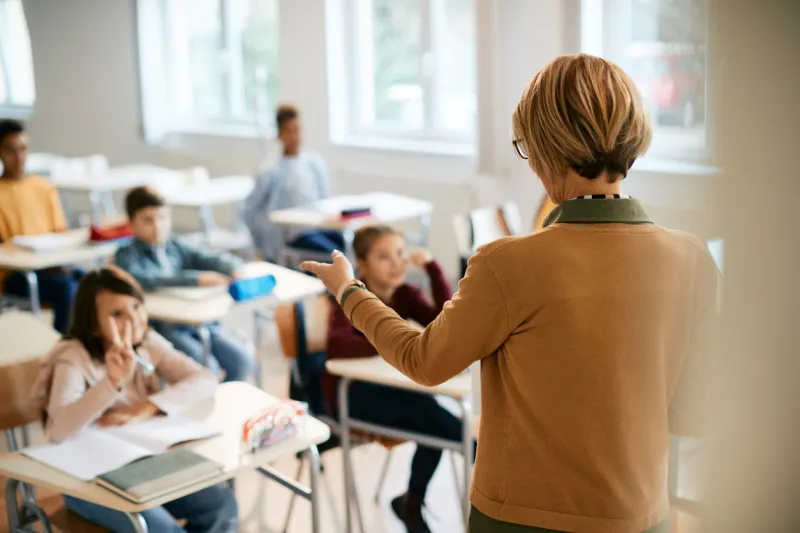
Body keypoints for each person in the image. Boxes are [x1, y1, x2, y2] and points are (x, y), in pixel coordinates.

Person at [302, 54, 718, 533]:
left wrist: (349, 291)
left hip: (521, 518)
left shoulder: (507, 263)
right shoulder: (691, 259)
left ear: (544, 149)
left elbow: (425, 360)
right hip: (642, 516)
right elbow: (693, 416)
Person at [30, 267, 237, 532]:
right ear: (92, 325)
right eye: (117, 314)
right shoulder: (73, 358)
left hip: (144, 461)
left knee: (221, 505)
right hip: (89, 478)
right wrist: (112, 383)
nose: (133, 319)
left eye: (136, 307)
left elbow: (204, 379)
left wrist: (147, 406)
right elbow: (59, 430)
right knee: (159, 529)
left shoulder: (147, 341)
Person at [323, 225, 468, 533]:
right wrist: (393, 339)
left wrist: (432, 269)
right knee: (454, 431)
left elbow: (446, 322)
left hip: (398, 390)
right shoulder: (349, 295)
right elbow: (338, 343)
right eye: (384, 256)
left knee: (446, 428)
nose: (397, 262)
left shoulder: (404, 293)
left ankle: (411, 503)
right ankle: (412, 505)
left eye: (401, 253)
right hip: (357, 396)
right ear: (361, 264)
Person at [115, 186, 255, 382]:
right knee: (207, 368)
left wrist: (233, 268)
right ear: (131, 223)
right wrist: (196, 279)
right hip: (163, 328)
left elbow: (211, 258)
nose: (157, 226)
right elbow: (147, 278)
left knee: (241, 361)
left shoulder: (175, 246)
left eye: (162, 217)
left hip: (198, 323)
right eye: (147, 220)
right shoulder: (126, 255)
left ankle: (221, 402)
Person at [0, 119, 80, 334]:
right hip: (15, 275)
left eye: (23, 149)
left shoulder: (44, 187)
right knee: (67, 289)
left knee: (94, 282)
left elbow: (59, 233)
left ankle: (88, 348)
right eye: (10, 150)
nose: (19, 157)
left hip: (50, 265)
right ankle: (60, 349)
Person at [243, 104, 342, 262]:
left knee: (352, 246)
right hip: (293, 235)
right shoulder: (270, 170)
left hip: (319, 227)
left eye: (297, 130)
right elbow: (250, 210)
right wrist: (261, 245)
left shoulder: (314, 163)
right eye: (289, 131)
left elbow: (325, 200)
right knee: (336, 257)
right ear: (280, 135)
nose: (294, 136)